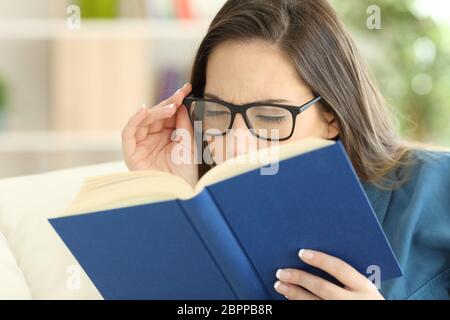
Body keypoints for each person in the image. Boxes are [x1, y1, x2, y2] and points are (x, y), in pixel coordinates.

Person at [121, 0, 450, 300]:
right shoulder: (209, 213)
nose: (238, 143)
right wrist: (170, 198)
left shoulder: (437, 188)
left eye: (269, 117)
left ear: (333, 114)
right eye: (217, 111)